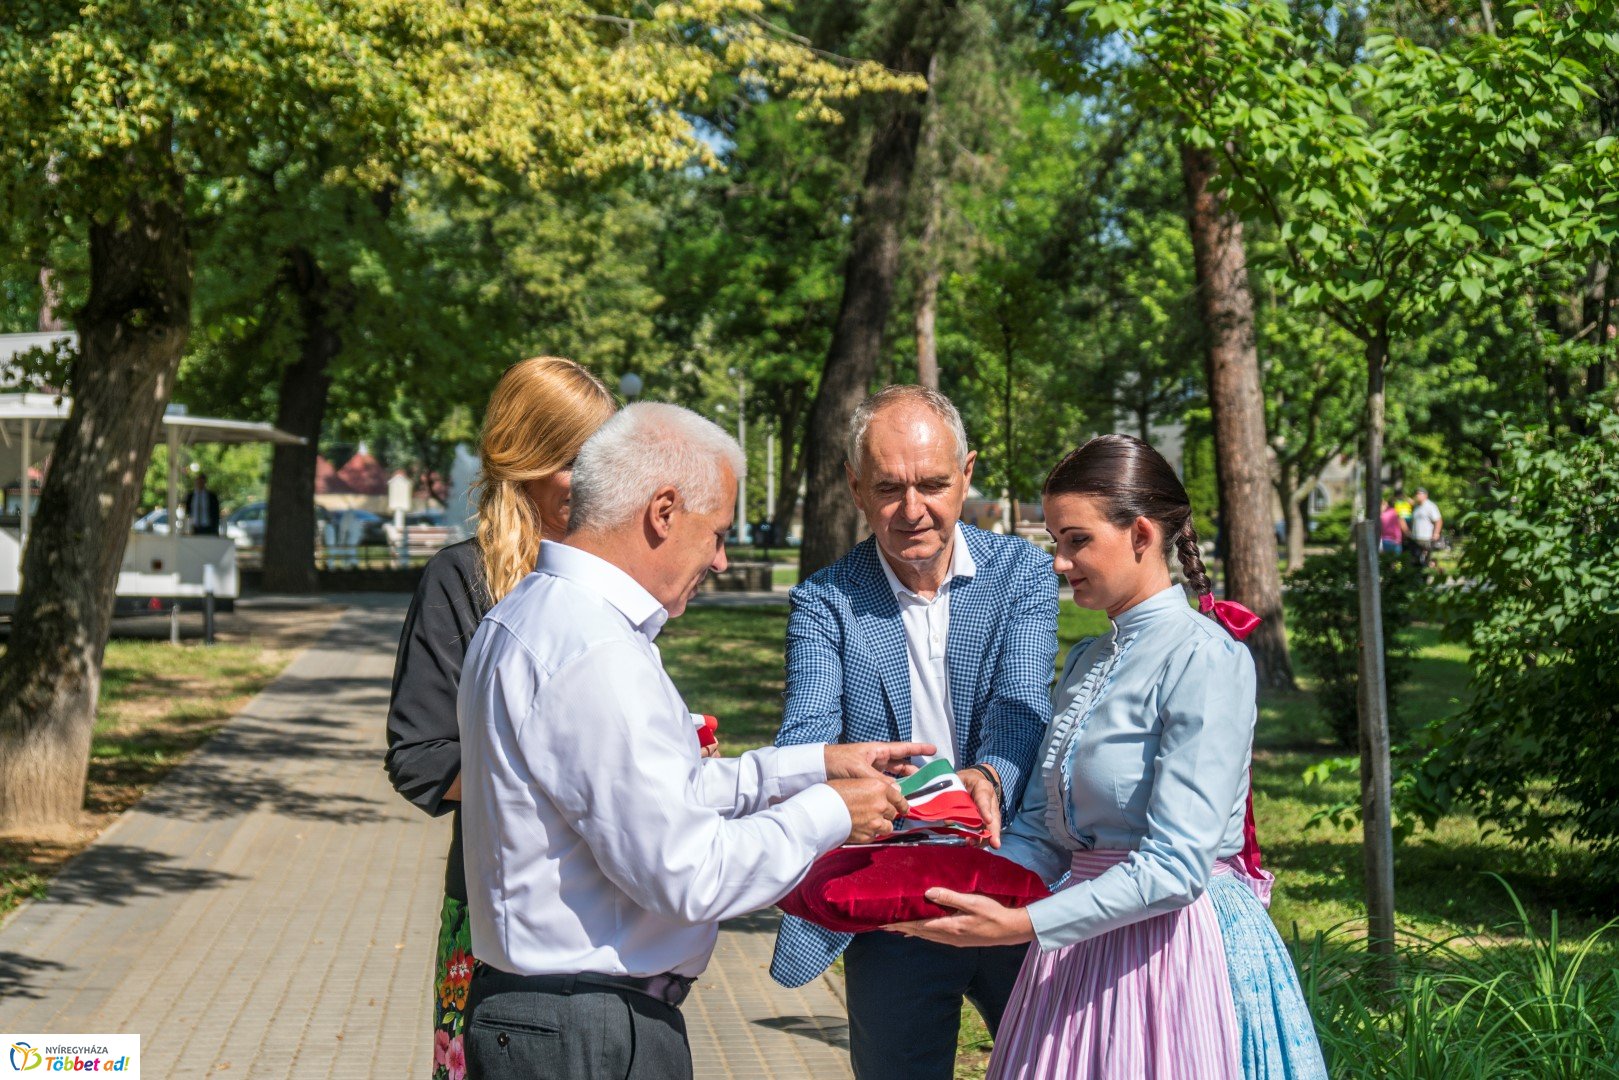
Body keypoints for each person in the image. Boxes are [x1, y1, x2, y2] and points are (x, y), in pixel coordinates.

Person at [457, 402, 930, 1080]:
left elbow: (651, 795)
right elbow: (686, 872)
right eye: (715, 533)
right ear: (663, 510)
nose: (720, 557)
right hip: (588, 1030)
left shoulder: (538, 615)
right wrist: (831, 812)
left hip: (561, 1018)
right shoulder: (594, 651)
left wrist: (813, 767)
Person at [887, 434, 1326, 1080]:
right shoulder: (1089, 660)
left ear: (1141, 534)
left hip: (1173, 954)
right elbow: (1040, 829)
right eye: (1055, 542)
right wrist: (946, 890)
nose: (1059, 562)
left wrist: (1025, 923)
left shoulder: (1204, 658)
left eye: (1076, 540)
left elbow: (1176, 866)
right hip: (1078, 952)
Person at [769, 385, 1058, 1080]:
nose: (912, 510)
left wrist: (988, 778)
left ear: (966, 474)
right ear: (855, 488)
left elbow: (1021, 705)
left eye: (932, 484)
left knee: (1055, 1065)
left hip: (1012, 871)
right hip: (891, 894)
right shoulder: (824, 602)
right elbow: (806, 737)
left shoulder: (1022, 573)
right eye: (888, 488)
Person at [385, 357, 616, 1077]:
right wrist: (545, 774)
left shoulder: (611, 581)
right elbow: (419, 757)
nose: (606, 481)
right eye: (585, 461)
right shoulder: (461, 579)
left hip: (611, 909)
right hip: (497, 921)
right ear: (529, 462)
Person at [1409, 487, 1443, 568]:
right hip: (1416, 539)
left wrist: (1436, 533)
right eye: (1416, 494)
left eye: (1419, 494)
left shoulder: (1430, 506)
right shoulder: (1416, 507)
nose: (1417, 496)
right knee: (1416, 561)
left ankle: (1426, 577)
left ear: (1425, 495)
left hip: (1427, 538)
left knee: (1427, 560)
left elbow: (1438, 520)